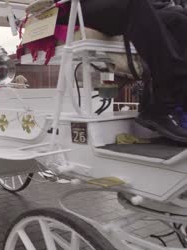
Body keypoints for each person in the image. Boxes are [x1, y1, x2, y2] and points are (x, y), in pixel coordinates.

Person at [56, 0, 187, 143]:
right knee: (134, 4)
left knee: (177, 18)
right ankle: (166, 101)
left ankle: (170, 102)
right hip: (69, 8)